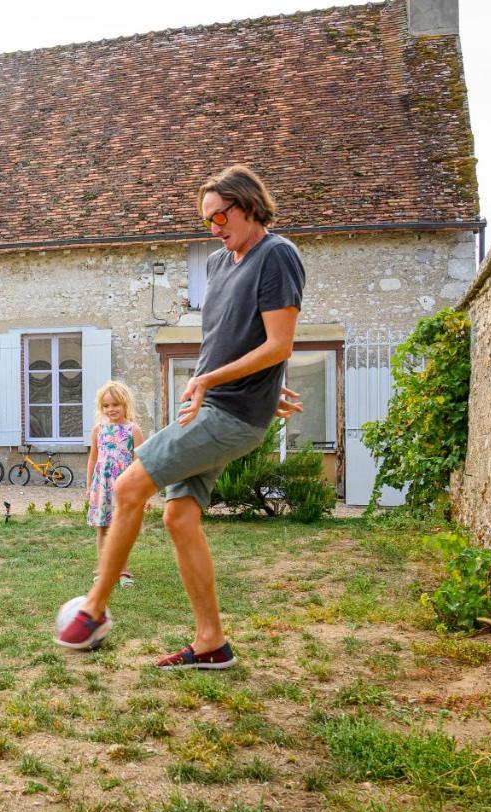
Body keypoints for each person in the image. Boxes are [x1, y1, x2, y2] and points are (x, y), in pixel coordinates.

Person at [56, 165, 306, 669]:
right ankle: (211, 642)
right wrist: (267, 387)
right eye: (207, 220)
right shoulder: (217, 265)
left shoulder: (277, 256)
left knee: (127, 488)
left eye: (220, 216)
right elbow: (236, 339)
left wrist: (222, 383)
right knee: (179, 515)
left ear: (249, 205)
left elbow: (280, 342)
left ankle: (94, 608)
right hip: (220, 407)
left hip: (228, 412)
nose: (213, 228)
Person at [86, 381, 145, 587]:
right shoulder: (98, 430)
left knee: (122, 528)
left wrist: (140, 491)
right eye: (106, 406)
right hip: (102, 486)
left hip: (124, 487)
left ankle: (122, 570)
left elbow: (139, 462)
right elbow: (93, 459)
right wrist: (88, 487)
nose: (111, 409)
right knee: (103, 528)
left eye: (115, 405)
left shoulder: (133, 430)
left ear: (125, 404)